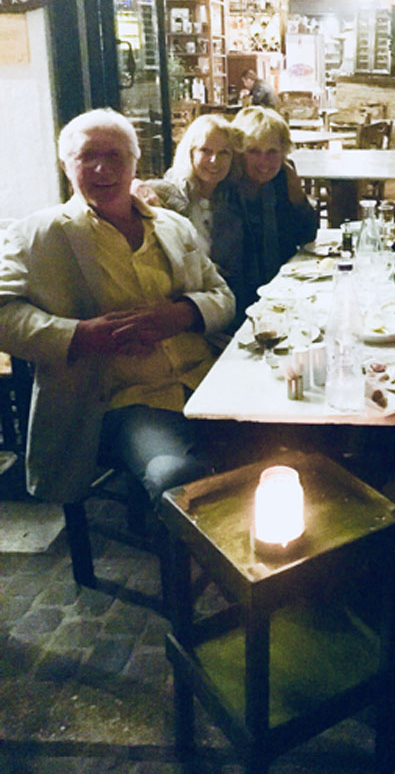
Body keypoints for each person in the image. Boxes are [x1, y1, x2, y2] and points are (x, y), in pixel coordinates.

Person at [0, 109, 235, 507]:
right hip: (120, 398)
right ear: (65, 165)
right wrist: (79, 336)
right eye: (87, 156)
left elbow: (223, 295)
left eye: (115, 156)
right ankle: (187, 567)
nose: (101, 167)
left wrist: (183, 313)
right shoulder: (38, 233)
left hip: (206, 381)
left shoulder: (172, 226)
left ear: (134, 161)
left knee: (295, 439)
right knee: (176, 478)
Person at [213, 106, 318, 325]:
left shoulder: (281, 180)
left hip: (283, 292)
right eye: (253, 151)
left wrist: (297, 194)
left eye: (272, 152)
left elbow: (307, 235)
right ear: (238, 153)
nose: (264, 162)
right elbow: (179, 183)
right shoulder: (223, 185)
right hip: (235, 302)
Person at [134, 113, 240, 254]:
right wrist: (133, 185)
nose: (214, 160)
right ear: (190, 153)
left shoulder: (231, 200)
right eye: (205, 151)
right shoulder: (163, 194)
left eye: (224, 153)